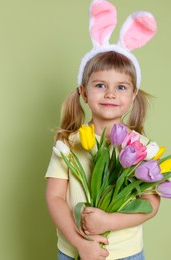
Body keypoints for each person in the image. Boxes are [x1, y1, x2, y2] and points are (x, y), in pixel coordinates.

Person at [45, 1, 159, 259]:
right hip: (75, 251)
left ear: (133, 96)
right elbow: (54, 198)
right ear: (83, 92)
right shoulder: (68, 143)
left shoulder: (141, 148)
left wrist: (108, 222)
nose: (110, 93)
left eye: (121, 87)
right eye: (99, 85)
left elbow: (151, 204)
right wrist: (80, 243)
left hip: (126, 253)